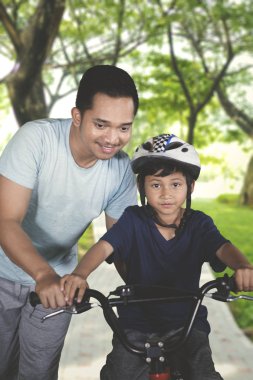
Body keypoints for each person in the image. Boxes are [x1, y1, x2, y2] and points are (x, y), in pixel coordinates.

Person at [61, 133, 253, 380]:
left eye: (175, 184)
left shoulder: (199, 224)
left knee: (201, 371)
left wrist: (243, 266)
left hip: (186, 322)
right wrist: (80, 274)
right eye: (155, 185)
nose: (166, 194)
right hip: (136, 324)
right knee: (118, 373)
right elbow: (104, 247)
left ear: (190, 187)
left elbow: (223, 248)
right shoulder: (133, 220)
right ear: (142, 187)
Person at [0, 65, 139, 380]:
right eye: (101, 124)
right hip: (5, 274)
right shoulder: (36, 139)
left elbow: (121, 242)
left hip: (59, 285)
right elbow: (6, 221)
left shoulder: (119, 169)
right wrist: (42, 274)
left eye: (124, 128)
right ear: (77, 116)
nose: (112, 139)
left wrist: (144, 287)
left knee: (38, 373)